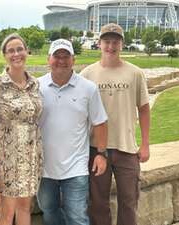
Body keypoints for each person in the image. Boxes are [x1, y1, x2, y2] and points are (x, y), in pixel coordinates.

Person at [80, 23, 150, 225]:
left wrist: (145, 144)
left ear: (122, 44)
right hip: (95, 149)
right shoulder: (87, 74)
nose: (111, 46)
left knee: (129, 201)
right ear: (99, 44)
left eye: (115, 42)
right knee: (98, 203)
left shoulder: (135, 73)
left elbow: (144, 109)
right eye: (107, 42)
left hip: (126, 148)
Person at [37, 39, 108, 225]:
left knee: (77, 217)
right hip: (43, 167)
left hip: (76, 167)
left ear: (73, 60)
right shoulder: (35, 87)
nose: (61, 60)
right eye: (57, 56)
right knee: (49, 211)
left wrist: (101, 154)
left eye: (66, 56)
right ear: (48, 59)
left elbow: (100, 122)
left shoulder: (88, 88)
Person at [0, 33, 43, 225]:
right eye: (11, 51)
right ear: (4, 55)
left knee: (26, 207)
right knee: (7, 211)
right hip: (7, 157)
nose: (16, 54)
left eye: (20, 49)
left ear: (27, 51)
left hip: (32, 155)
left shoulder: (35, 83)